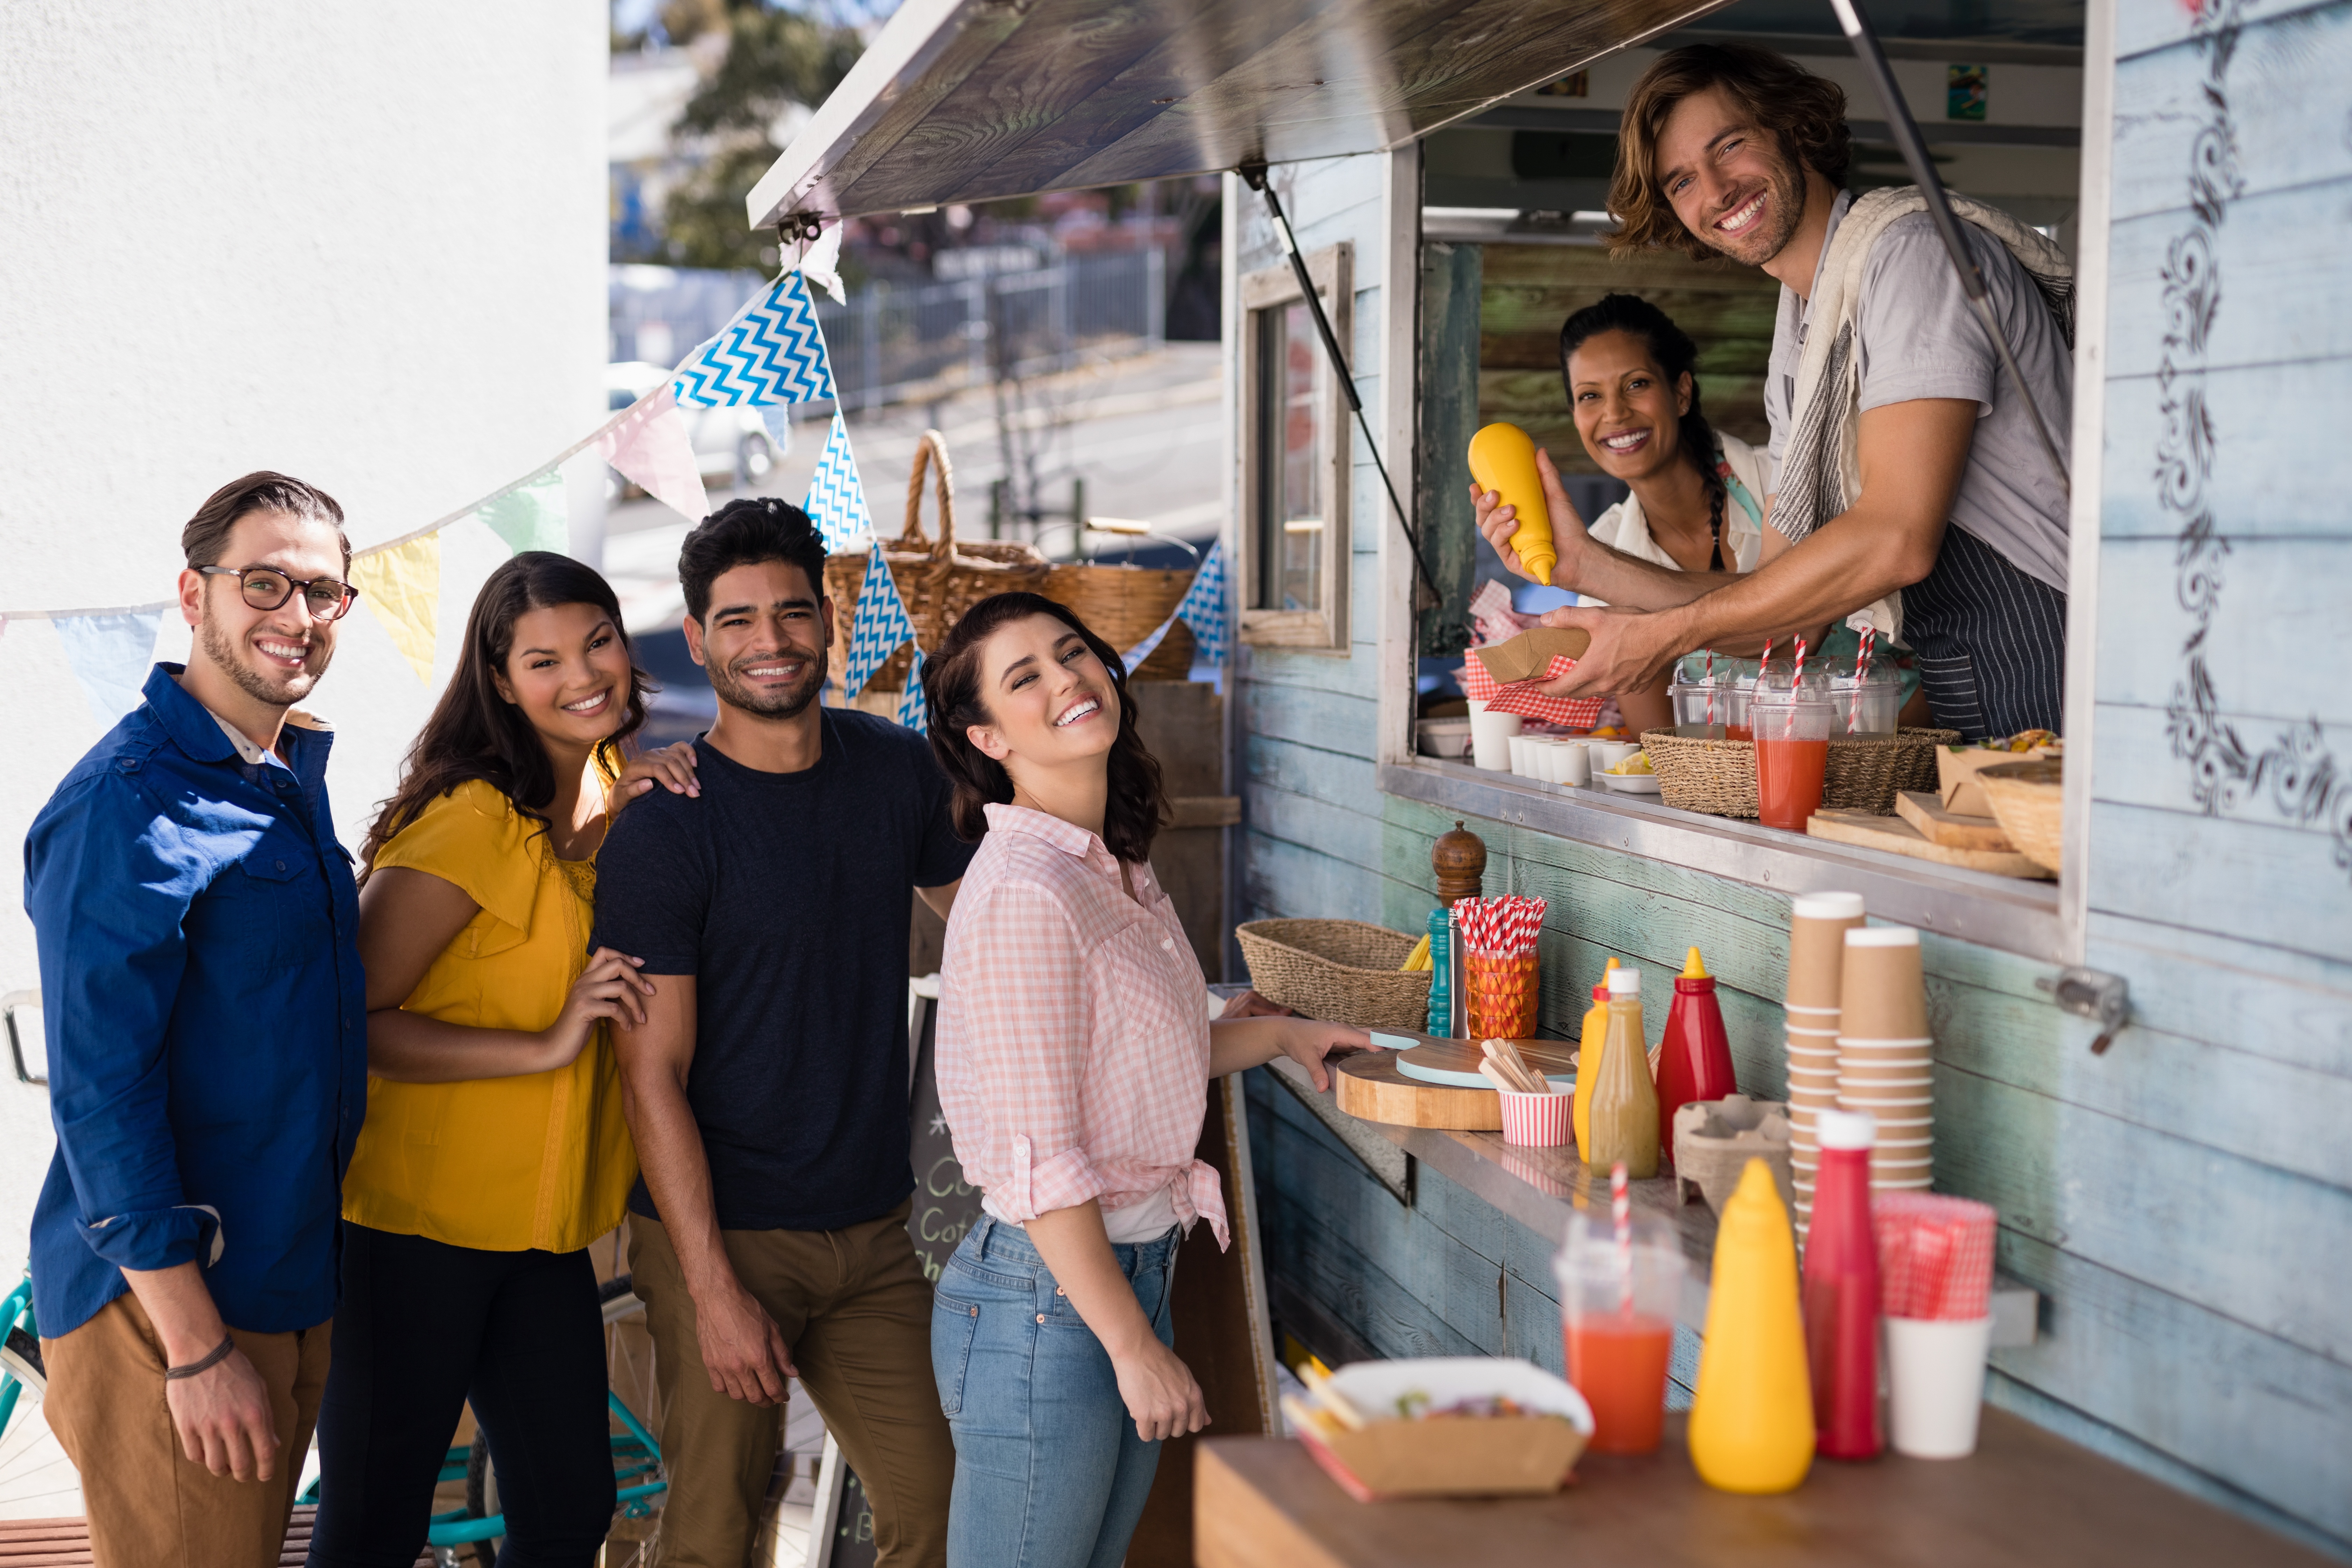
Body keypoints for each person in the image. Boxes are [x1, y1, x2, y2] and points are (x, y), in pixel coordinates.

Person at [924, 592, 1366, 1568]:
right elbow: (1043, 1165)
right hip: (1051, 1304)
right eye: (1025, 676)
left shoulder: (1110, 862)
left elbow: (1135, 1067)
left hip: (1117, 1281)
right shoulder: (1029, 895)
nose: (1067, 679)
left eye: (1072, 652)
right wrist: (1132, 1346)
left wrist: (1282, 1038)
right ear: (988, 735)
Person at [1480, 43, 2073, 740]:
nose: (1716, 190)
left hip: (2056, 653)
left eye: (1729, 146)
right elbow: (1784, 609)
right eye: (1682, 182)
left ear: (1794, 129)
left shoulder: (1912, 257)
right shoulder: (1805, 334)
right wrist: (1589, 565)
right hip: (1970, 676)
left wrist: (1665, 636)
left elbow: (1896, 537)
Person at [592, 497, 971, 1568]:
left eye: (794, 613)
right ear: (701, 636)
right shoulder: (671, 823)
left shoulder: (894, 770)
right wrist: (714, 1290)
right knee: (718, 1526)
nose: (771, 641)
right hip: (725, 1233)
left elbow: (1002, 927)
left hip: (870, 1228)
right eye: (740, 619)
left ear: (829, 623)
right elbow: (649, 1075)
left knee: (939, 1510)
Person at [305, 554, 699, 1567]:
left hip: (540, 1237)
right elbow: (353, 1017)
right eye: (544, 659)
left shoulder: (605, 794)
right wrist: (546, 1043)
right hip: (414, 1232)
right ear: (501, 679)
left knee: (570, 1510)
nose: (584, 673)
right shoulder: (469, 821)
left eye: (599, 640)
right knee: (373, 1526)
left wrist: (625, 811)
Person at [23, 472, 367, 1568]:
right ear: (193, 594)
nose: (296, 616)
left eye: (323, 591)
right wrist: (193, 1346)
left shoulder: (279, 777)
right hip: (174, 1313)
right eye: (262, 582)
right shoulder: (126, 800)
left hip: (287, 1280)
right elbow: (100, 1092)